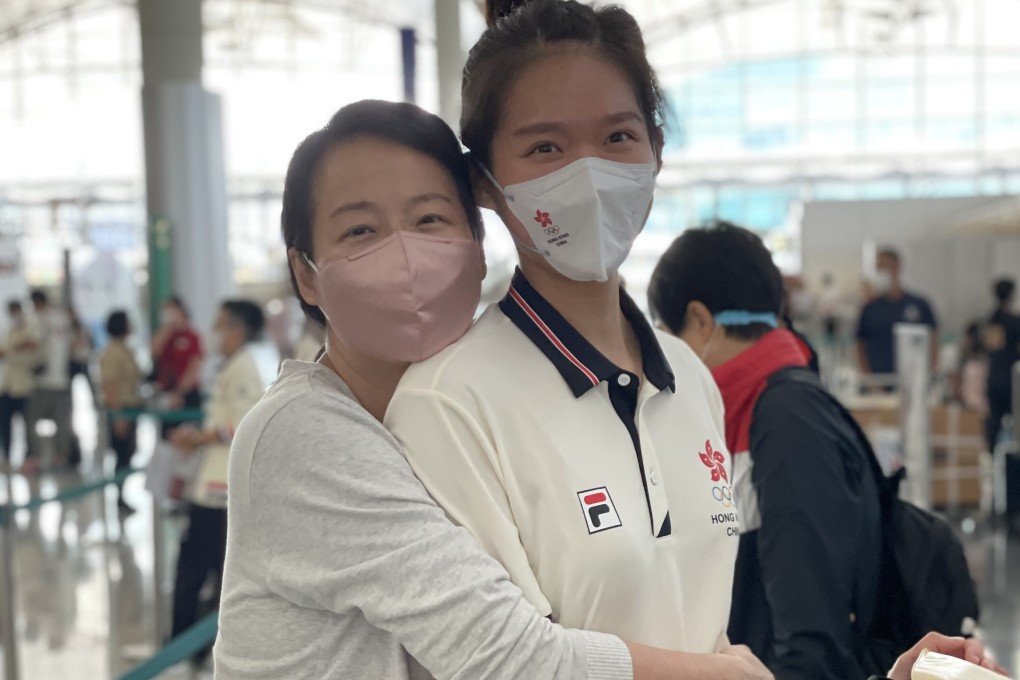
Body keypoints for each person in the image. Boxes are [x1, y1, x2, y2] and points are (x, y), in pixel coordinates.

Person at [215, 98, 776, 680]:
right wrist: (721, 673)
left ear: (478, 243)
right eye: (360, 230)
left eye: (430, 219)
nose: (404, 255)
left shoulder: (478, 409)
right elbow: (511, 656)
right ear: (306, 272)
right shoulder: (305, 435)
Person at [385, 0, 739, 657]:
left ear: (656, 152)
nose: (589, 174)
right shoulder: (450, 405)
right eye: (545, 147)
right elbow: (500, 663)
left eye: (618, 138)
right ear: (483, 182)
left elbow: (714, 647)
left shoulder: (688, 377)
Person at [647, 222, 882, 680]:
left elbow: (812, 627)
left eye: (663, 334)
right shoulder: (754, 407)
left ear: (699, 321)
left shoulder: (786, 416)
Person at [169, 299, 270, 649]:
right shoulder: (232, 366)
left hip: (219, 489)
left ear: (237, 331)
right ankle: (195, 646)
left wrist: (197, 437)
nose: (214, 333)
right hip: (213, 481)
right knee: (208, 569)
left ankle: (186, 648)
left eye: (220, 325)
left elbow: (240, 424)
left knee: (197, 569)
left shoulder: (243, 368)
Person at [856, 248, 938, 380]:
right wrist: (870, 381)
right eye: (878, 268)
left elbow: (932, 341)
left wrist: (929, 374)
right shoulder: (869, 309)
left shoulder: (919, 305)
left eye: (885, 267)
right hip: (879, 383)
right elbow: (860, 346)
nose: (881, 272)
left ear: (897, 267)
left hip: (913, 380)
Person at [24, 289, 73, 470]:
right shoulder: (64, 317)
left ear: (37, 302)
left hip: (44, 381)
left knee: (31, 419)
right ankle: (61, 457)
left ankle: (35, 457)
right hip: (62, 379)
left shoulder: (41, 319)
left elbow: (33, 343)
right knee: (61, 421)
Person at [99, 310, 142, 512]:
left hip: (131, 409)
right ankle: (119, 497)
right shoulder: (112, 352)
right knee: (122, 455)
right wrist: (118, 416)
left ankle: (122, 494)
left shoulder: (126, 349)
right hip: (121, 410)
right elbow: (108, 385)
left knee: (129, 453)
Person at [151, 295, 204, 428]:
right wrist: (167, 329)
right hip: (166, 393)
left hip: (186, 394)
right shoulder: (166, 336)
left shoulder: (192, 336)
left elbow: (194, 367)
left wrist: (179, 392)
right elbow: (153, 351)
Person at [981, 278, 1020, 449]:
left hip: (994, 375)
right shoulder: (1014, 321)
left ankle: (990, 453)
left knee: (994, 419)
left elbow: (988, 347)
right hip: (1011, 377)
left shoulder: (990, 319)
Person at [0, 300, 38, 472]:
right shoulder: (6, 331)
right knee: (5, 425)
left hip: (23, 386)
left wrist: (11, 351)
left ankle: (29, 458)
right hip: (6, 386)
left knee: (27, 424)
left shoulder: (31, 328)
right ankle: (6, 456)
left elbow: (30, 352)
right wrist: (15, 349)